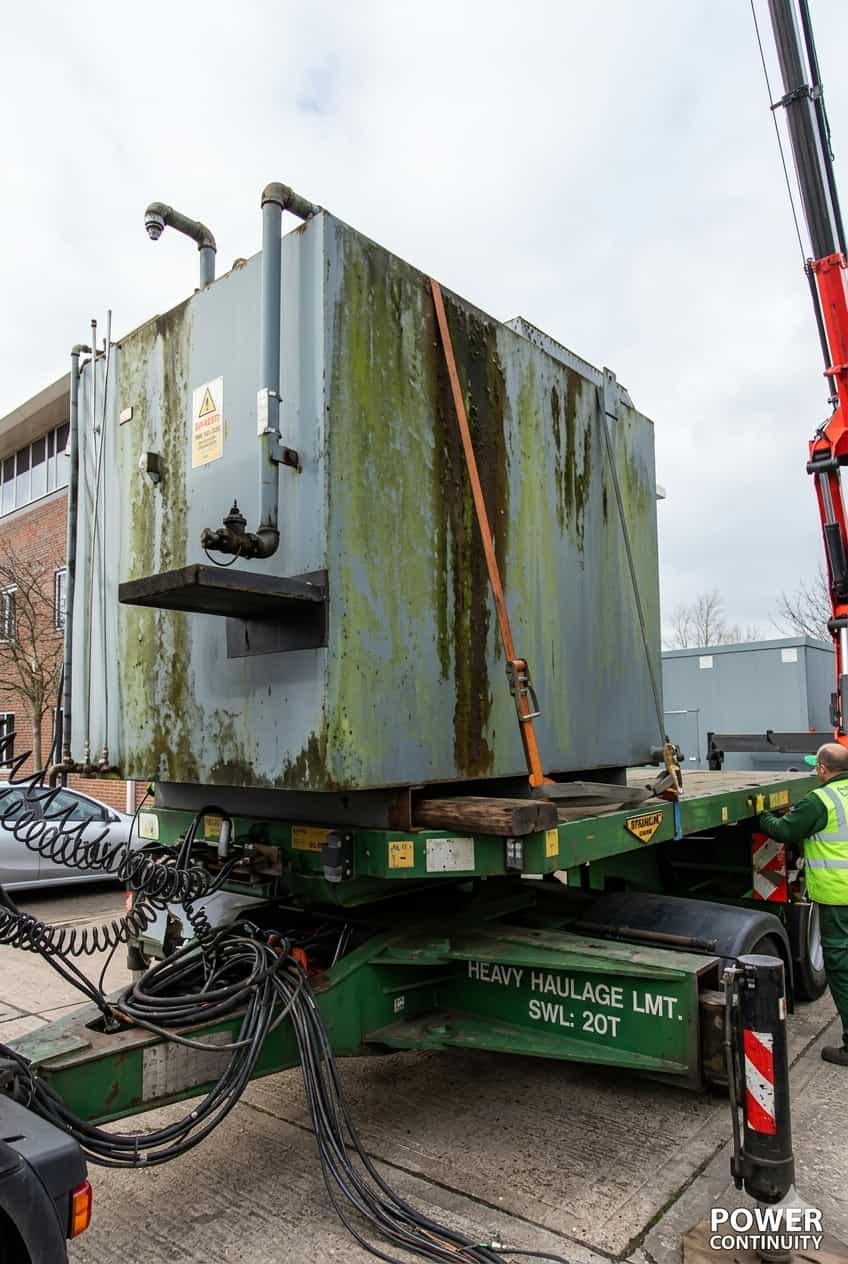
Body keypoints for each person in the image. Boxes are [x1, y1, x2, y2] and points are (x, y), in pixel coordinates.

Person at [757, 741, 848, 1067]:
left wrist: (761, 814)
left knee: (840, 966)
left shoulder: (820, 799)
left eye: (816, 767)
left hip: (839, 898)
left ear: (823, 769)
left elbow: (783, 831)